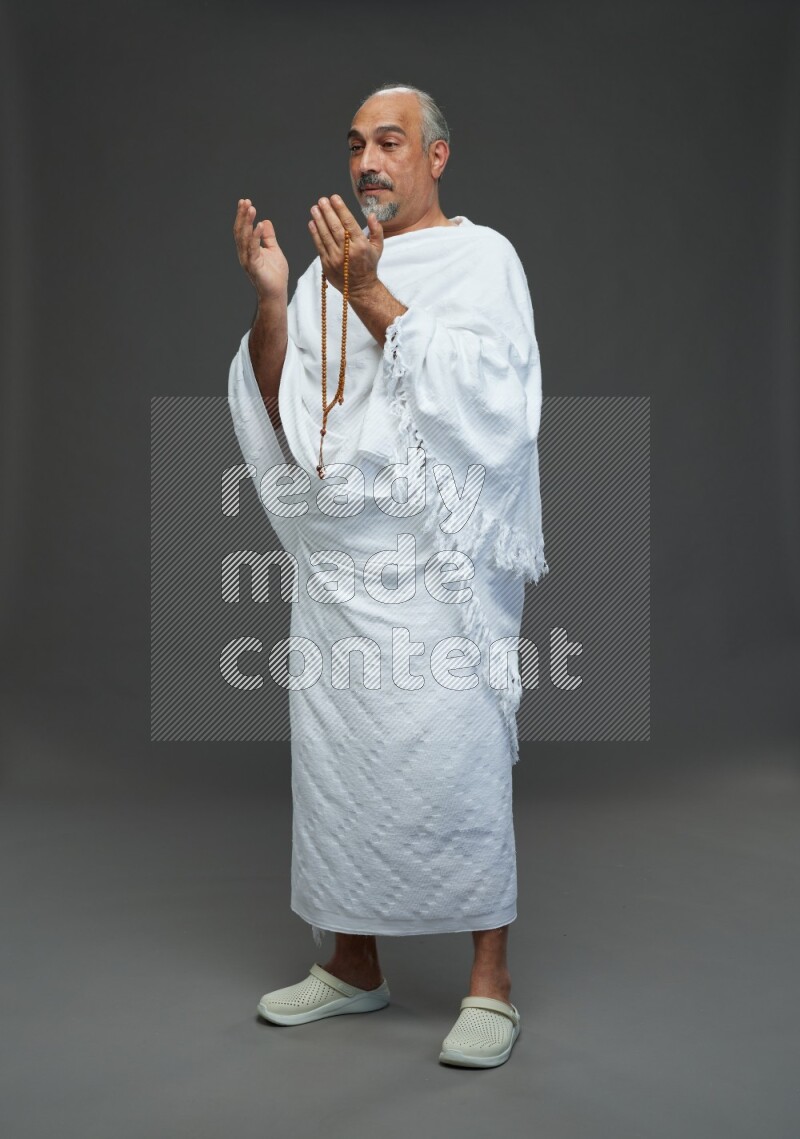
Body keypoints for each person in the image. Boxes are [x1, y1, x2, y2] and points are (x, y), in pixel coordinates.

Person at [227, 82, 548, 1068]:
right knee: (341, 765)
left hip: (436, 568)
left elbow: (495, 400)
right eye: (356, 144)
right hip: (341, 567)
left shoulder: (480, 258)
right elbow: (286, 416)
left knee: (455, 758)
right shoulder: (328, 269)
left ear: (435, 157)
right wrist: (282, 296)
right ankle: (353, 961)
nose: (366, 160)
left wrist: (367, 289)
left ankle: (488, 980)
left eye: (390, 142)